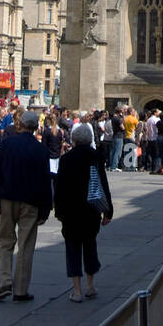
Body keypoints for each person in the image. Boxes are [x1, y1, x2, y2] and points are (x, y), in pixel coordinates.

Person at [0, 110, 53, 302]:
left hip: (7, 199)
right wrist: (45, 209)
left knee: (6, 242)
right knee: (26, 246)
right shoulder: (41, 149)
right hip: (31, 203)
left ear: (21, 125)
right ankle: (21, 290)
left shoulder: (7, 144)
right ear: (36, 128)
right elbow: (45, 182)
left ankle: (5, 280)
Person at [54, 122, 113, 303]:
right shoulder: (95, 157)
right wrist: (108, 211)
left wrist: (59, 211)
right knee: (90, 245)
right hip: (90, 210)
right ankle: (90, 286)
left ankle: (77, 291)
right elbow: (103, 184)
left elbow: (60, 187)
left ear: (74, 140)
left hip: (71, 211)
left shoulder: (66, 159)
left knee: (72, 248)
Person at [42, 114, 67, 178]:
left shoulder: (47, 132)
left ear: (48, 121)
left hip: (49, 158)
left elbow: (44, 146)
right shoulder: (59, 132)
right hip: (57, 157)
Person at [109, 106, 126, 171]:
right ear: (120, 112)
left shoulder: (113, 118)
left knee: (113, 151)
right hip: (119, 136)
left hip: (115, 135)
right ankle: (114, 166)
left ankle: (111, 166)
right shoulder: (118, 119)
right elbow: (122, 127)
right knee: (118, 152)